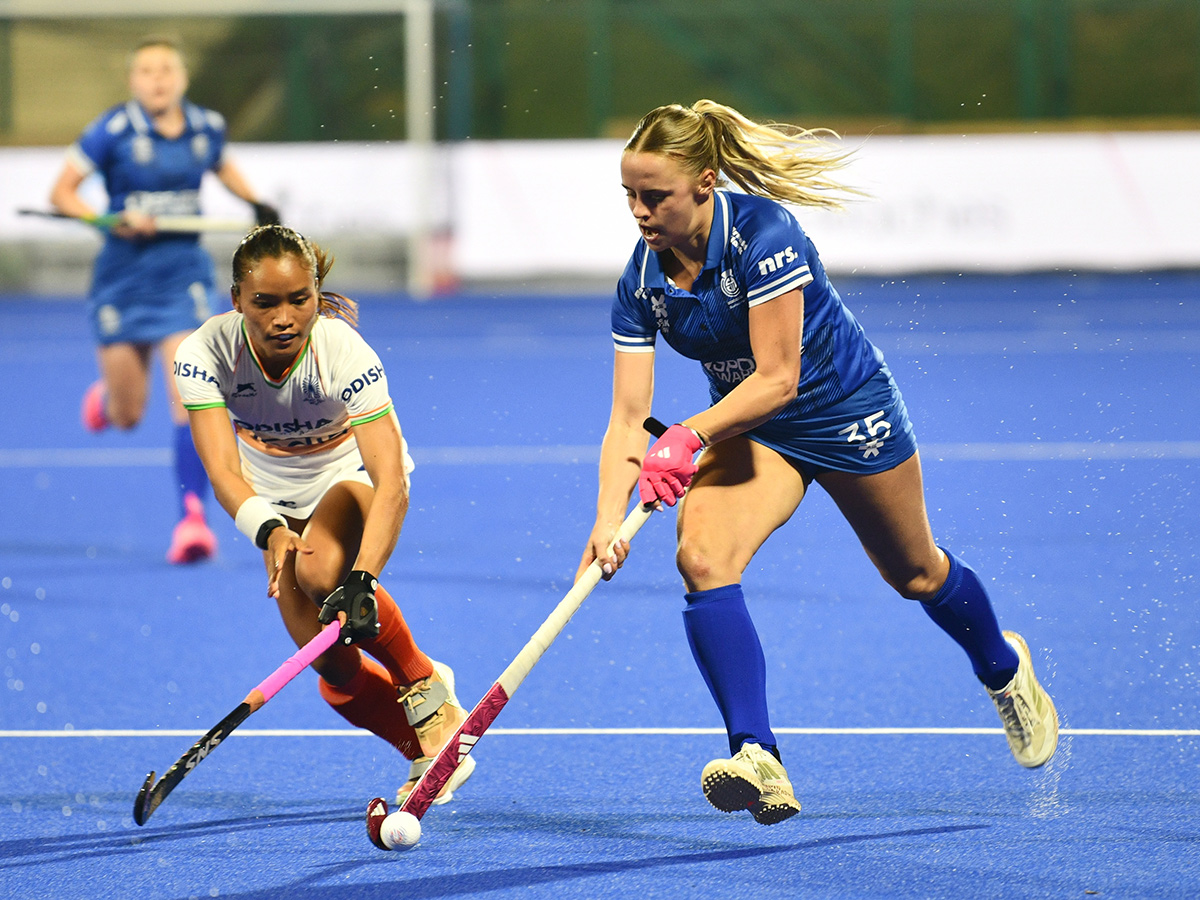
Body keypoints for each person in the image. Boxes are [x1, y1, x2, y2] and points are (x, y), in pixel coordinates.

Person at [577, 100, 1059, 826]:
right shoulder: (642, 279)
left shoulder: (765, 237)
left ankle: (1002, 666)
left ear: (705, 183)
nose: (639, 213)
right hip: (756, 430)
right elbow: (624, 418)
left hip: (843, 410)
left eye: (655, 197)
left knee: (915, 573)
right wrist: (606, 519)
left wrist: (689, 436)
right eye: (629, 197)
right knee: (702, 557)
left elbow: (779, 377)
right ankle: (757, 755)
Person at [173, 224, 474, 806]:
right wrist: (268, 528)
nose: (284, 317)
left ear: (316, 294)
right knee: (331, 665)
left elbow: (390, 480)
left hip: (350, 476)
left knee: (319, 574)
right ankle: (425, 752)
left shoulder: (342, 350)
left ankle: (423, 685)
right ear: (236, 300)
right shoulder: (203, 353)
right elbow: (223, 473)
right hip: (271, 495)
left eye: (299, 300)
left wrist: (362, 578)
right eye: (265, 302)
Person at [49, 36, 281, 564]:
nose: (158, 79)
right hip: (122, 281)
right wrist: (109, 219)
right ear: (134, 80)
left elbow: (220, 165)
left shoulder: (206, 127)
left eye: (167, 70)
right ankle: (108, 403)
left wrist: (253, 201)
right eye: (147, 71)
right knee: (130, 414)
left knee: (192, 398)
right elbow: (61, 194)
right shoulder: (111, 131)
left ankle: (192, 520)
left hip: (184, 281)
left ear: (181, 79)